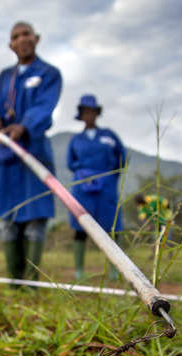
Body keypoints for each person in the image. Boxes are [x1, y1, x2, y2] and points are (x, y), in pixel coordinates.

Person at [0, 21, 62, 284]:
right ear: (10, 45)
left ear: (36, 38)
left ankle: (31, 283)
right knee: (9, 219)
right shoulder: (5, 77)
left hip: (33, 151)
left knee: (34, 217)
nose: (22, 39)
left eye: (26, 34)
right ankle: (13, 282)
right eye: (16, 36)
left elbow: (44, 108)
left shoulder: (49, 73)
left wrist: (23, 127)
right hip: (7, 157)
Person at [67, 94, 126, 281]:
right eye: (85, 112)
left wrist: (109, 177)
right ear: (81, 115)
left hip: (106, 187)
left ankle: (115, 271)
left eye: (92, 112)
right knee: (81, 226)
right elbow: (71, 162)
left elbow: (122, 158)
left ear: (96, 114)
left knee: (111, 226)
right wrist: (83, 174)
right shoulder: (76, 140)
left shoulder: (109, 136)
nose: (89, 115)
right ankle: (79, 272)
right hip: (82, 188)